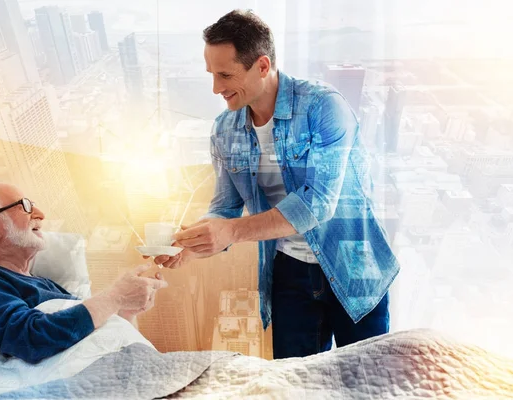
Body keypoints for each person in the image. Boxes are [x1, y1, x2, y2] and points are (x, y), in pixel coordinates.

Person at [153, 10, 400, 359]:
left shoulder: (324, 107)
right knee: (295, 386)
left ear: (263, 66)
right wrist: (192, 247)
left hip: (354, 267)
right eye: (212, 74)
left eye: (225, 75)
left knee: (364, 382)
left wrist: (232, 232)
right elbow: (224, 209)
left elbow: (318, 203)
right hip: (289, 275)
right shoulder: (224, 130)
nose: (216, 88)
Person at [0, 182, 168, 364]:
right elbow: (28, 338)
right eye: (25, 206)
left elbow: (91, 333)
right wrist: (115, 297)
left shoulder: (46, 284)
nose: (41, 215)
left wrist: (126, 310)